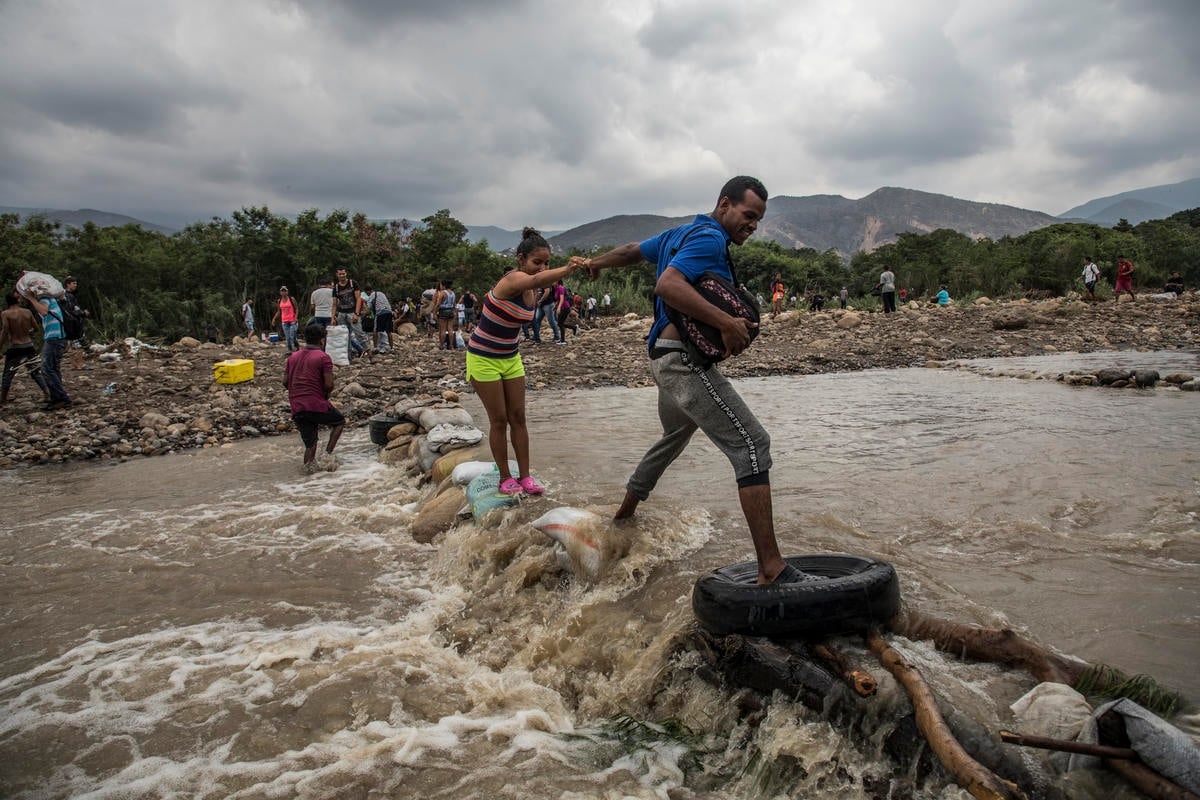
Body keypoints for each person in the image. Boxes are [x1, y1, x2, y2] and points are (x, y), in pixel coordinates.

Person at [575, 175, 798, 585]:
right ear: (725, 204)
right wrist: (726, 322)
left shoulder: (680, 232)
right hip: (682, 363)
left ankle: (620, 519)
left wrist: (593, 263)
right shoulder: (709, 239)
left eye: (759, 220)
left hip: (662, 359)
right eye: (749, 215)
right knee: (752, 445)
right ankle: (772, 568)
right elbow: (668, 284)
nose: (753, 225)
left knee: (672, 438)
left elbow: (629, 252)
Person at [466, 228, 582, 495]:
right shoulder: (513, 280)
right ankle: (505, 477)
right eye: (536, 262)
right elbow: (537, 280)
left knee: (519, 417)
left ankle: (526, 477)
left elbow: (540, 283)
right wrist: (568, 269)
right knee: (499, 420)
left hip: (510, 357)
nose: (541, 267)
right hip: (483, 358)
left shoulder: (533, 289)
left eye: (546, 262)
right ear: (521, 260)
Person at [283, 323, 345, 473]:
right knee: (339, 422)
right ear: (322, 340)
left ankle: (307, 476)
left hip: (297, 407)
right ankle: (327, 455)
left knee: (310, 444)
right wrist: (324, 395)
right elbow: (329, 384)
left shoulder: (292, 357)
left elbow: (285, 383)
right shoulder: (323, 357)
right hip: (315, 403)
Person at [20, 286, 72, 409]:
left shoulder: (44, 298)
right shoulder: (50, 298)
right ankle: (57, 398)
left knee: (47, 369)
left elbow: (43, 311)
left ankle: (62, 398)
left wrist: (31, 299)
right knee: (53, 368)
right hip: (57, 337)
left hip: (54, 337)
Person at [1, 291, 50, 405]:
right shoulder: (27, 312)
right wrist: (27, 332)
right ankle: (47, 392)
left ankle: (3, 399)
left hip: (15, 346)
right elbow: (36, 328)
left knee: (8, 373)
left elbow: (5, 331)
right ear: (17, 300)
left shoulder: (6, 314)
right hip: (28, 345)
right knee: (35, 371)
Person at [333, 268, 369, 357]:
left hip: (352, 312)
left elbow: (358, 299)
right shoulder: (336, 288)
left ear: (346, 274)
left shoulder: (352, 283)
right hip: (342, 313)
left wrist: (356, 313)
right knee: (344, 336)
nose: (342, 276)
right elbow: (334, 304)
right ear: (337, 275)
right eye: (340, 274)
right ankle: (347, 356)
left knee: (359, 334)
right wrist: (332, 317)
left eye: (343, 274)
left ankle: (370, 354)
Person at [61, 276, 90, 368]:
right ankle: (81, 364)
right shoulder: (69, 296)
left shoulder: (64, 295)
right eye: (73, 283)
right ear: (68, 284)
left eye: (76, 283)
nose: (75, 285)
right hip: (73, 324)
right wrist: (83, 313)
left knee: (70, 345)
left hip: (67, 323)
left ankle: (74, 365)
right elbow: (73, 310)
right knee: (78, 345)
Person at [362, 286, 393, 353]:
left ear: (368, 291)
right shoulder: (381, 293)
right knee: (388, 331)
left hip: (380, 313)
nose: (367, 294)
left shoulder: (371, 296)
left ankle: (375, 348)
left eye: (367, 293)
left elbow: (368, 310)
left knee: (375, 330)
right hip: (389, 312)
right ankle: (391, 348)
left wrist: (362, 317)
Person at [271, 286, 300, 352]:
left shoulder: (291, 299)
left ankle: (297, 346)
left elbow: (297, 308)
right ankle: (290, 350)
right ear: (280, 292)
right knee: (287, 337)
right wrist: (274, 319)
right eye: (282, 291)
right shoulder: (279, 301)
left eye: (285, 291)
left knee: (292, 336)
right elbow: (279, 311)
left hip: (292, 320)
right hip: (284, 321)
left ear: (287, 292)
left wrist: (296, 317)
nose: (283, 292)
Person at [433, 279, 457, 350]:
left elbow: (438, 304)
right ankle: (451, 345)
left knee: (443, 329)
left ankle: (441, 345)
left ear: (443, 285)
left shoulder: (443, 293)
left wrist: (434, 312)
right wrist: (455, 312)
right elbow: (454, 304)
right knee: (450, 329)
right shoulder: (453, 293)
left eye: (440, 285)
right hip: (451, 311)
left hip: (443, 311)